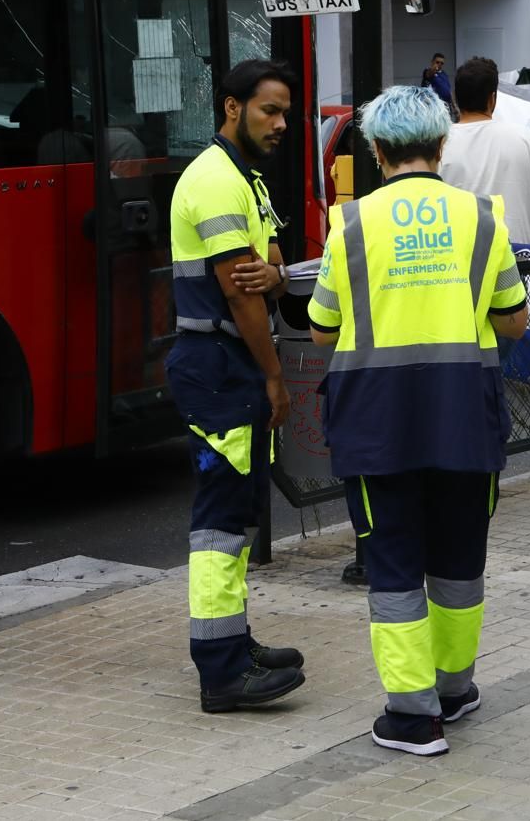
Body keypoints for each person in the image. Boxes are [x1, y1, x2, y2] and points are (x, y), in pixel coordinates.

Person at [307, 85, 529, 757]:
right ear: (441, 147)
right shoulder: (483, 219)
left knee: (394, 562)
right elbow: (513, 319)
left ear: (376, 151)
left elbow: (321, 331)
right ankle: (454, 691)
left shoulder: (350, 225)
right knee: (460, 562)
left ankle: (411, 717)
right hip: (465, 416)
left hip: (378, 424)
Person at [166, 59, 307, 713]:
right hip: (219, 362)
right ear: (231, 107)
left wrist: (273, 277)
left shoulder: (246, 179)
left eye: (284, 112)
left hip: (229, 363)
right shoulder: (218, 183)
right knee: (220, 521)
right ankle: (221, 672)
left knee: (239, 512)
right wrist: (275, 377)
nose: (281, 123)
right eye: (268, 111)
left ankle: (234, 642)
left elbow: (271, 270)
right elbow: (242, 293)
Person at [440, 56, 530, 249]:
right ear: (492, 98)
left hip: (456, 266)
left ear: (455, 96)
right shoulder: (525, 139)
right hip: (514, 264)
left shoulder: (438, 146)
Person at [420, 51, 453, 115]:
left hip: (446, 106)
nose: (439, 64)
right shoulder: (427, 71)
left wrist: (454, 105)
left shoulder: (444, 74)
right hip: (434, 107)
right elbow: (430, 73)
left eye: (442, 63)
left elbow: (449, 90)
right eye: (437, 62)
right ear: (432, 62)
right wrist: (434, 67)